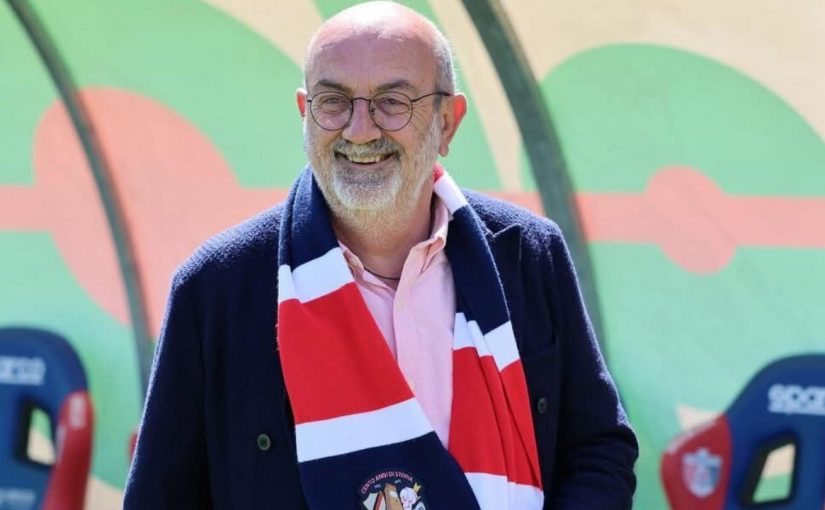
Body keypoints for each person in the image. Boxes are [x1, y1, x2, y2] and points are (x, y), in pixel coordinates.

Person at [124, 2, 637, 509]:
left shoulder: (528, 255)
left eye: (392, 102)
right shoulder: (218, 288)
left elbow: (597, 447)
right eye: (334, 101)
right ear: (304, 114)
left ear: (447, 122)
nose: (360, 130)